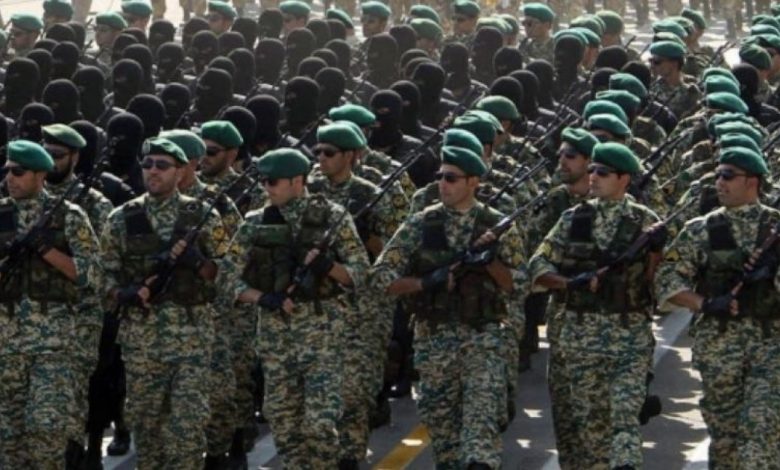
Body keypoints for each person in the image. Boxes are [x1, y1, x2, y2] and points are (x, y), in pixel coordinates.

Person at [371, 144, 525, 469]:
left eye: (452, 178)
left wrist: (491, 262)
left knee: (481, 427)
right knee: (444, 437)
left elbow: (520, 285)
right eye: (440, 176)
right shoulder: (420, 224)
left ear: (474, 182)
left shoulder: (496, 226)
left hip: (483, 338)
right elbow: (382, 277)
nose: (443, 183)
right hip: (434, 341)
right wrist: (426, 282)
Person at [217, 147, 370, 468]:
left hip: (323, 339)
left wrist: (328, 266)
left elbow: (360, 273)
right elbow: (226, 277)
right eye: (264, 182)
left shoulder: (333, 217)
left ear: (298, 181)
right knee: (284, 426)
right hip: (276, 342)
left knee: (320, 424)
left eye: (273, 182)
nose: (267, 189)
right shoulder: (255, 223)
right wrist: (261, 297)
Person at [529, 142, 663, 469]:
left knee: (624, 418)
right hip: (579, 342)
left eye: (602, 172)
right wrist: (568, 282)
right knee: (587, 430)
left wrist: (656, 253)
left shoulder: (646, 223)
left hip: (629, 339)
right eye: (591, 170)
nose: (593, 177)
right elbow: (538, 265)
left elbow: (659, 286)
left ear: (624, 179)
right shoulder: (573, 219)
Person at [100, 138, 229, 468]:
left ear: (181, 171)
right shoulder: (120, 218)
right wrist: (123, 293)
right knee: (147, 430)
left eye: (162, 165)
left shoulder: (202, 216)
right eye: (147, 164)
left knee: (187, 429)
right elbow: (100, 275)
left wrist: (198, 262)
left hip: (192, 342)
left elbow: (228, 275)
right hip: (142, 343)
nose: (152, 171)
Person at [656, 149, 780, 468]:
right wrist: (705, 303)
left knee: (761, 436)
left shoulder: (775, 228)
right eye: (717, 176)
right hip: (719, 348)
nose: (719, 183)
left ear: (752, 182)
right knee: (724, 441)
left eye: (728, 176)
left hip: (771, 347)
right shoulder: (701, 229)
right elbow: (667, 278)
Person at [0, 140, 100, 468]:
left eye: (19, 172)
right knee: (8, 441)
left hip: (53, 345)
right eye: (7, 171)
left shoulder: (69, 216)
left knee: (47, 431)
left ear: (40, 174)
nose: (10, 178)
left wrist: (46, 251)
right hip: (6, 345)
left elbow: (92, 275)